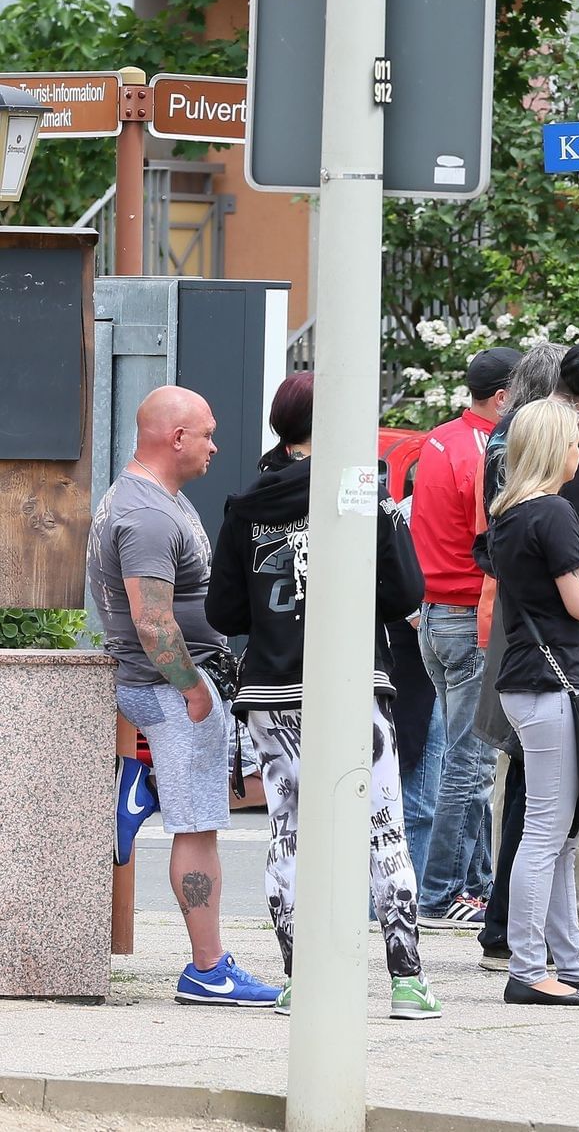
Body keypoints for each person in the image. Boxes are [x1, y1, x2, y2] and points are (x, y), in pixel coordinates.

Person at [205, 373, 441, 1019]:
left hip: (274, 689)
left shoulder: (244, 503)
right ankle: (407, 982)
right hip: (353, 683)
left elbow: (225, 608)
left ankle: (297, 978)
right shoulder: (361, 490)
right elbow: (405, 592)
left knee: (288, 832)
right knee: (383, 826)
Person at [88, 386, 282, 1007]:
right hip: (174, 688)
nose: (215, 445)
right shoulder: (146, 516)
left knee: (274, 779)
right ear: (176, 438)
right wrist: (193, 688)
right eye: (207, 433)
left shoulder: (154, 499)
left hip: (183, 683)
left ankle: (146, 786)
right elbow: (151, 620)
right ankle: (207, 968)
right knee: (198, 829)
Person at [475, 339, 579, 969]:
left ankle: (568, 964)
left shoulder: (513, 511)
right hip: (549, 677)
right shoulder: (550, 514)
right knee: (548, 831)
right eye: (572, 443)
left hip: (531, 673)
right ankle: (527, 963)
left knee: (553, 829)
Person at [409, 345, 519, 928]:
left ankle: (471, 886)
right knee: (469, 762)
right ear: (502, 396)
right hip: (468, 612)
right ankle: (441, 890)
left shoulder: (436, 441)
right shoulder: (485, 452)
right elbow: (492, 539)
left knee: (464, 754)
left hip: (433, 614)